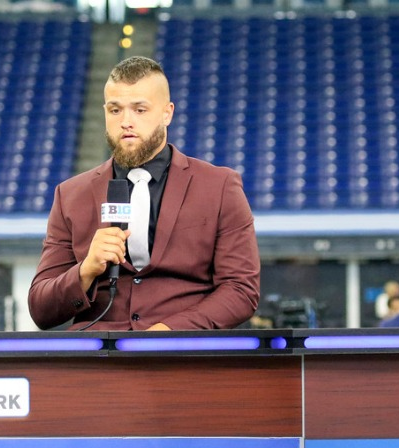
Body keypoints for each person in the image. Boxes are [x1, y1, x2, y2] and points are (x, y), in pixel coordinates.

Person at [28, 56, 260, 331]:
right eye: (115, 110)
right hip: (97, 359)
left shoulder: (219, 186)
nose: (126, 121)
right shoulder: (70, 195)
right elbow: (41, 310)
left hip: (184, 356)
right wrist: (86, 269)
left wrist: (171, 331)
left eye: (139, 110)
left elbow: (241, 290)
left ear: (167, 113)